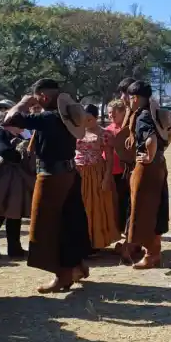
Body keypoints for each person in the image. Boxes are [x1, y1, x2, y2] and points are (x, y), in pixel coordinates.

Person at [4, 79, 92, 293]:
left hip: (52, 176)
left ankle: (62, 275)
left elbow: (9, 119)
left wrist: (23, 102)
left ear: (43, 96)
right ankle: (77, 265)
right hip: (69, 173)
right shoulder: (66, 118)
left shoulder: (47, 118)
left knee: (47, 227)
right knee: (71, 220)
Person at [123, 81, 170, 269]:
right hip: (159, 165)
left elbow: (150, 139)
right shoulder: (154, 113)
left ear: (135, 98)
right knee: (154, 209)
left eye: (128, 97)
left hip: (147, 169)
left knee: (144, 212)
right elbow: (170, 133)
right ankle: (154, 253)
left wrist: (149, 156)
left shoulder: (143, 116)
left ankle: (151, 254)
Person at [0, 111, 30, 258]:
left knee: (14, 215)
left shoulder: (19, 136)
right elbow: (4, 151)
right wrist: (17, 153)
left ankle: (14, 249)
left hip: (13, 180)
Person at [76, 104, 120, 251]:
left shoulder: (104, 134)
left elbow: (109, 159)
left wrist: (107, 178)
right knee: (79, 207)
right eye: (84, 119)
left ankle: (94, 242)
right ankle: (79, 241)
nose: (86, 122)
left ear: (96, 118)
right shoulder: (76, 132)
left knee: (94, 207)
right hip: (77, 173)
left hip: (96, 173)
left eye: (89, 119)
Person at [105, 100, 130, 233]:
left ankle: (124, 227)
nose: (111, 116)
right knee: (112, 201)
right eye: (109, 113)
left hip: (124, 171)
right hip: (109, 171)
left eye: (114, 114)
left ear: (123, 113)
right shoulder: (108, 130)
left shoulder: (128, 129)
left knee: (124, 200)